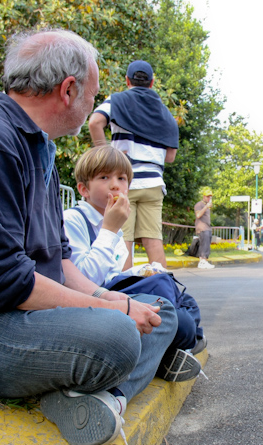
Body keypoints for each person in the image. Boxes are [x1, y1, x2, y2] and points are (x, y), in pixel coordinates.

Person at [0, 30, 177, 445]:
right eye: (93, 94)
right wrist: (113, 308)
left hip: (18, 318)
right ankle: (94, 389)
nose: (92, 106)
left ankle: (102, 401)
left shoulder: (38, 151)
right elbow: (1, 281)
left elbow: (60, 263)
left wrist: (116, 300)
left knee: (161, 312)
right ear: (68, 90)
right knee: (118, 335)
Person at [63, 145, 205, 375]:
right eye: (104, 177)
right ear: (83, 189)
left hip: (118, 292)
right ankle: (179, 344)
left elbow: (115, 273)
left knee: (185, 298)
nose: (115, 184)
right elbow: (85, 281)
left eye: (121, 178)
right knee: (183, 321)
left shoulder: (114, 225)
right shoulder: (74, 220)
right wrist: (109, 229)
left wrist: (142, 271)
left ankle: (174, 344)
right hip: (98, 302)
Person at [88, 60, 179, 271]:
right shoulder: (163, 111)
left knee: (123, 240)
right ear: (152, 82)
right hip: (154, 184)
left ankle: (128, 295)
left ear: (127, 80)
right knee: (153, 239)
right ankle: (164, 292)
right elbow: (170, 156)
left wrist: (107, 156)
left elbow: (94, 122)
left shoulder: (118, 100)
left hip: (124, 181)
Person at [194, 187, 215, 269]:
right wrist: (206, 206)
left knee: (207, 244)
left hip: (207, 227)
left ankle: (205, 261)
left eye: (210, 196)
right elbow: (198, 215)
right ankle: (202, 261)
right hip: (202, 227)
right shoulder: (199, 205)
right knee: (204, 244)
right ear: (203, 196)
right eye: (207, 196)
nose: (209, 198)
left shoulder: (207, 205)